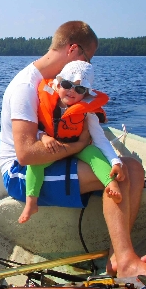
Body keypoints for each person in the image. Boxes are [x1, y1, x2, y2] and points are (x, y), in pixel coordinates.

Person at [0, 20, 146, 279]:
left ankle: (118, 257)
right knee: (108, 175)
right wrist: (80, 144)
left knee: (132, 169)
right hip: (20, 174)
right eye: (88, 57)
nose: (87, 68)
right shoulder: (26, 87)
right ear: (73, 49)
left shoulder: (55, 83)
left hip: (56, 157)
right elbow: (27, 154)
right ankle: (128, 263)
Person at [19, 60, 124, 224]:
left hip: (79, 147)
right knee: (35, 164)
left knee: (94, 154)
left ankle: (111, 184)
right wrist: (44, 137)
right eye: (67, 84)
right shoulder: (44, 101)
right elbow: (36, 129)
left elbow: (100, 139)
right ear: (58, 84)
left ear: (86, 93)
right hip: (55, 147)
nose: (71, 91)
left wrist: (115, 161)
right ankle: (31, 202)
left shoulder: (87, 112)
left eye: (79, 88)